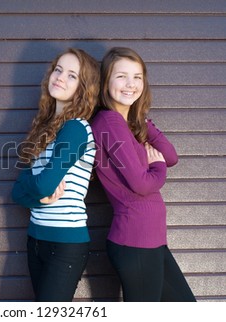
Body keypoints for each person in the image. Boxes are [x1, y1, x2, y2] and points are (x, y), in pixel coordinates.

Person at [91, 47, 196, 301]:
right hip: (135, 241)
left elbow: (171, 156)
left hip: (151, 241)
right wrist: (157, 167)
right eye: (121, 76)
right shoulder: (108, 122)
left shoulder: (127, 124)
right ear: (106, 82)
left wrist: (142, 121)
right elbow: (141, 182)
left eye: (137, 77)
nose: (131, 84)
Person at [11, 48, 100, 301]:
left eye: (72, 75)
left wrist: (35, 189)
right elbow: (18, 192)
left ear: (83, 88)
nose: (60, 77)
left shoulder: (76, 128)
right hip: (35, 239)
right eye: (58, 70)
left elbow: (42, 185)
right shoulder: (45, 127)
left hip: (65, 246)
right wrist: (37, 195)